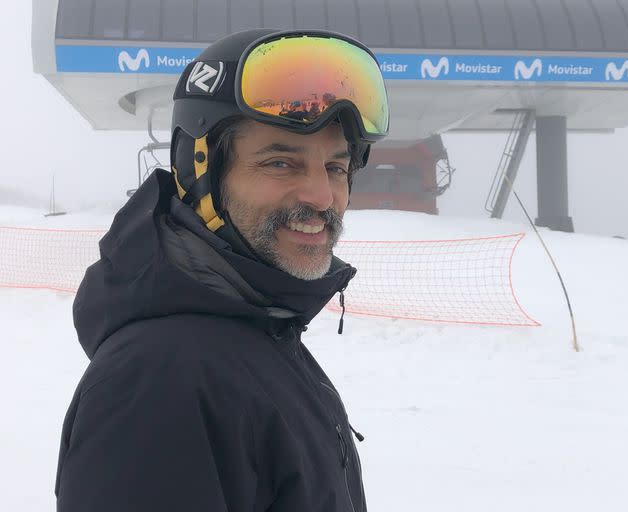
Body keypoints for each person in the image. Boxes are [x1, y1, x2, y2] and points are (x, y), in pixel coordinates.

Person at [54, 28, 390, 512]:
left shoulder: (259, 327)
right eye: (280, 163)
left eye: (336, 168)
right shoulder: (162, 381)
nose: (322, 197)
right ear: (199, 173)